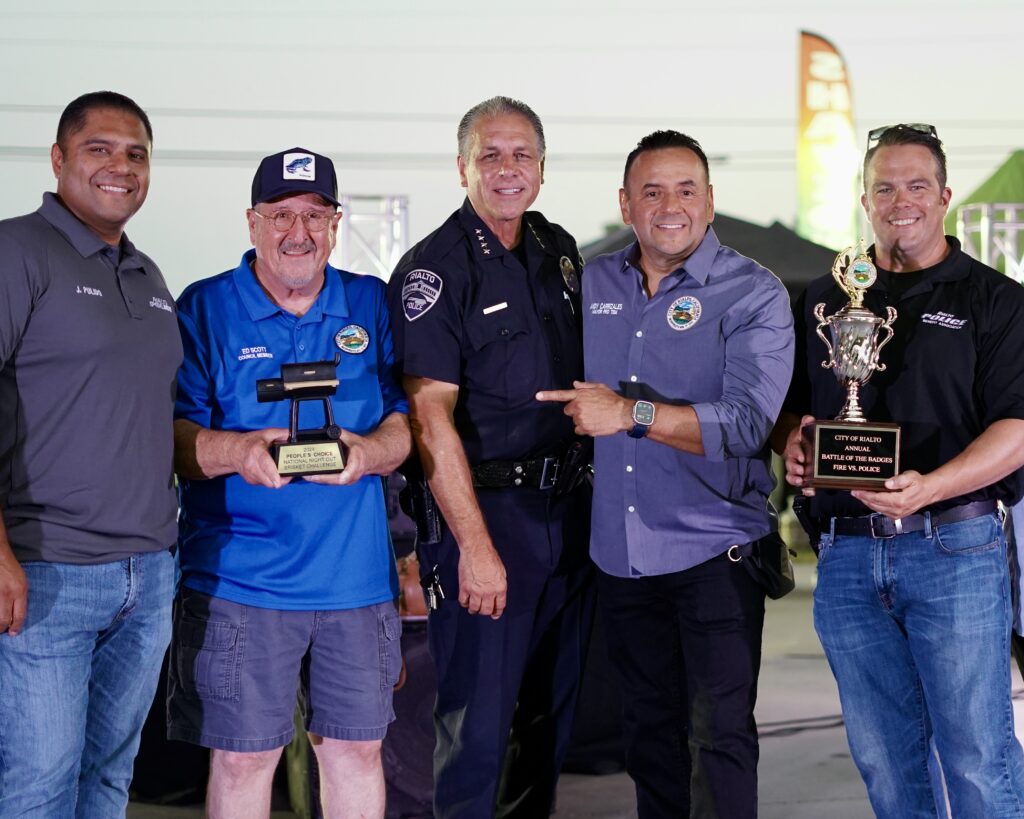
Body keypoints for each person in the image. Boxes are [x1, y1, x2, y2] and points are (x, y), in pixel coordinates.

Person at [538, 130, 794, 818]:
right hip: (620, 559)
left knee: (719, 740)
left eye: (686, 190)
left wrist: (631, 413)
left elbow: (747, 424)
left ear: (709, 201)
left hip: (717, 553)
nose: (670, 206)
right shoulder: (592, 282)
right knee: (648, 740)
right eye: (651, 192)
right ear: (626, 204)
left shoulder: (753, 291)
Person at [774, 123, 1024, 818]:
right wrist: (793, 443)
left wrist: (933, 486)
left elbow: (1018, 430)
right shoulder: (826, 298)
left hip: (955, 548)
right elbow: (793, 409)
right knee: (884, 760)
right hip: (848, 556)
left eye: (917, 186)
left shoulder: (995, 300)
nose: (900, 200)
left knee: (976, 756)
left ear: (944, 197)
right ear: (865, 200)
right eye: (884, 188)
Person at [168, 147, 410, 819]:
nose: (297, 232)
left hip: (356, 581)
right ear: (252, 222)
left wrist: (369, 452)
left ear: (335, 223)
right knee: (243, 759)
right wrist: (239, 450)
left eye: (314, 214)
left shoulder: (369, 299)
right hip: (240, 582)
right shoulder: (205, 306)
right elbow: (173, 442)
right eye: (280, 215)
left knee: (356, 752)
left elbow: (404, 420)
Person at [387, 96, 593, 819]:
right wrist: (474, 548)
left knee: (548, 724)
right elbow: (428, 416)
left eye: (522, 155)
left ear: (542, 166)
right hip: (486, 518)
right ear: (462, 167)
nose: (508, 169)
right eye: (491, 155)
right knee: (476, 732)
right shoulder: (434, 269)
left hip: (566, 514)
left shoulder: (555, 247)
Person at [0, 91, 181, 815]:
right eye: (99, 149)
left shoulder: (149, 276)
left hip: (148, 577)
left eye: (136, 154)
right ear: (58, 158)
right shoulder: (16, 251)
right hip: (48, 571)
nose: (121, 166)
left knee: (107, 778)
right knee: (40, 785)